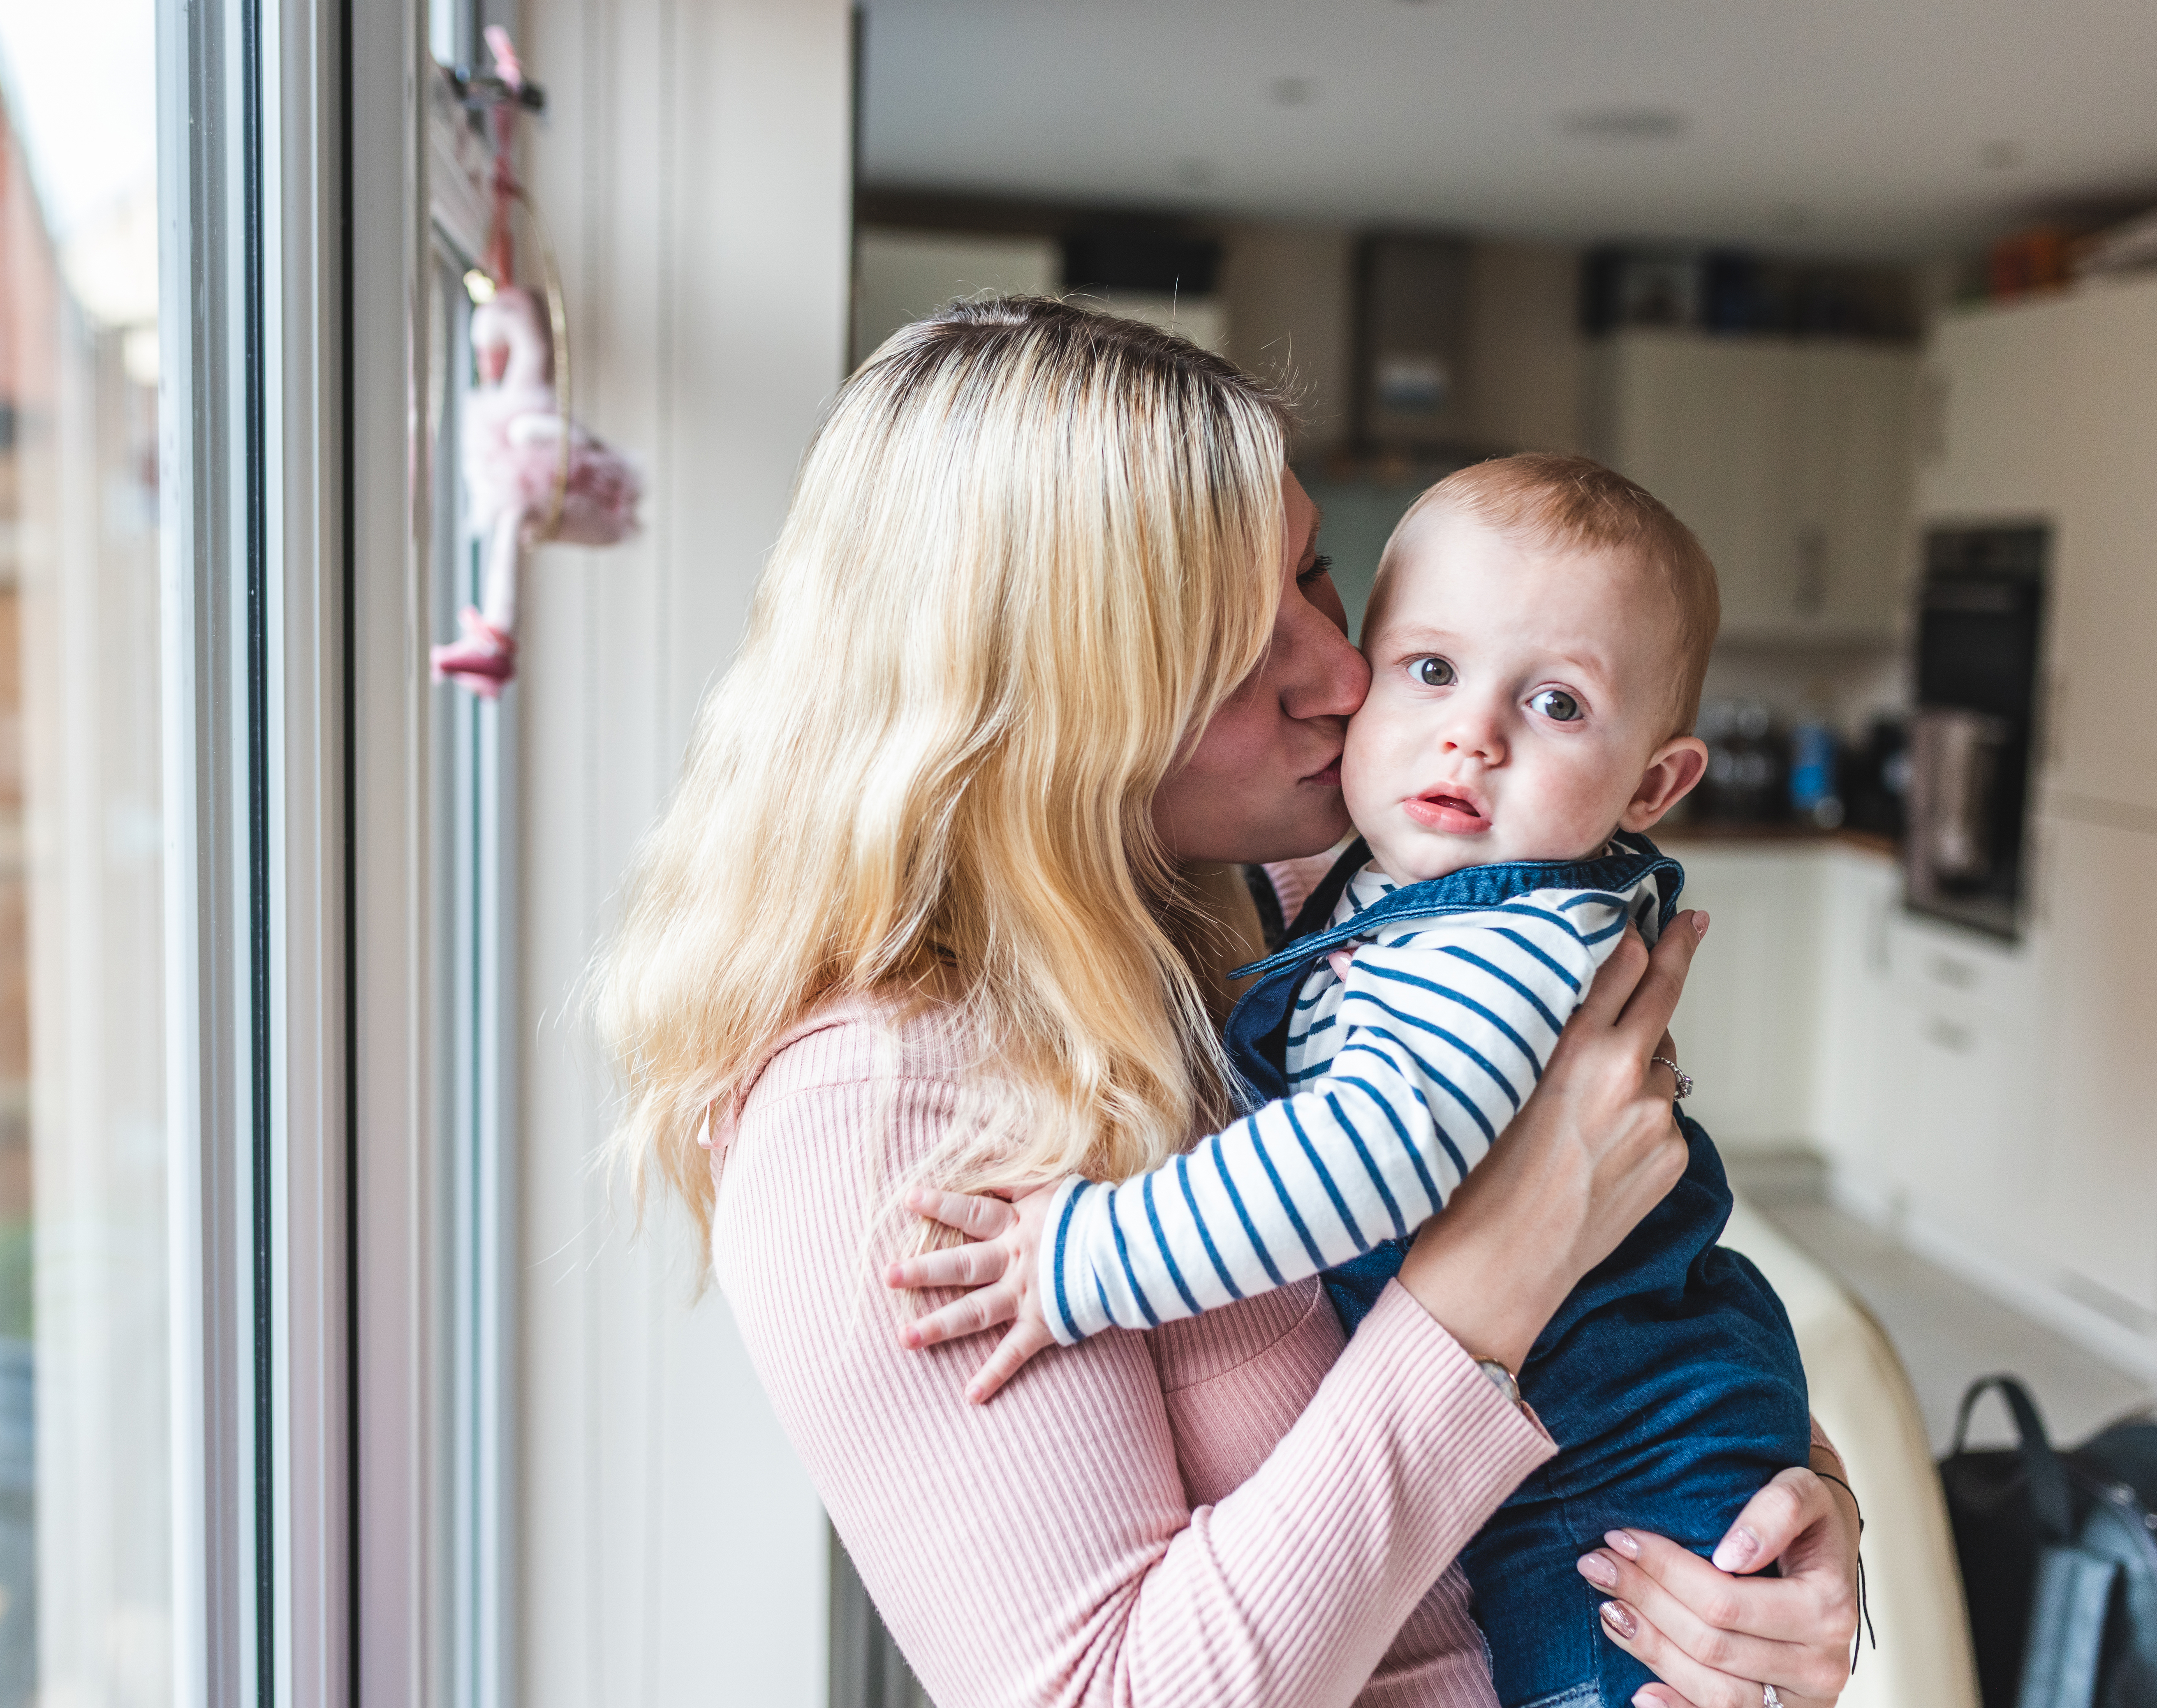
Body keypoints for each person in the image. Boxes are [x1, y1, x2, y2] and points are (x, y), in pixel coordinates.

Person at [600, 297, 1862, 1707]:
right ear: (1048, 700)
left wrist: (1793, 1521)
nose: (1347, 671)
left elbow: (1635, 1299)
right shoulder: (878, 1106)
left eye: (1318, 575)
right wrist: (1494, 1276)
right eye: (1229, 640)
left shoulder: (1290, 886)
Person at [895, 454, 1810, 1708]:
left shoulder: (1509, 936)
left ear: (1652, 786)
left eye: (1555, 705)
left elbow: (1363, 1153)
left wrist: (1081, 1261)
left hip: (1607, 1478)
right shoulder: (1385, 882)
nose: (1469, 732)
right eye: (1430, 669)